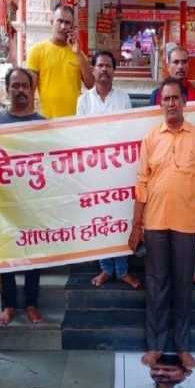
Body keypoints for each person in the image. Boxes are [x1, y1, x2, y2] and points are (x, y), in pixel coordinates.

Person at [129, 77, 195, 370]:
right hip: (154, 223)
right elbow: (141, 183)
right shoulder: (151, 138)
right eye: (166, 99)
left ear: (184, 102)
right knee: (156, 285)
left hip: (187, 224)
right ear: (160, 103)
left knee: (182, 287)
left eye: (175, 98)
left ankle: (183, 347)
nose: (171, 103)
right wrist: (136, 225)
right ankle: (154, 346)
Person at [76, 51, 141, 289]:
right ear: (93, 70)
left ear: (114, 70)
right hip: (95, 171)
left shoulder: (123, 99)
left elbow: (128, 131)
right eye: (100, 65)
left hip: (119, 169)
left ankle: (122, 270)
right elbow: (81, 135)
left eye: (108, 66)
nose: (104, 69)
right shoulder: (83, 101)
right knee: (100, 218)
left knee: (120, 218)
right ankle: (105, 269)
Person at [149, 46, 195, 290]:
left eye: (185, 62)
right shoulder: (155, 93)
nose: (181, 66)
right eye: (176, 62)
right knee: (159, 279)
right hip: (158, 208)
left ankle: (193, 271)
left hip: (189, 190)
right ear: (168, 64)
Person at [0, 67, 46, 324]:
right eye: (16, 85)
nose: (21, 90)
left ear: (32, 90)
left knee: (34, 254)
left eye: (25, 85)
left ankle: (32, 304)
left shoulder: (42, 124)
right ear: (7, 89)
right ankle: (9, 305)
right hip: (5, 202)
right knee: (6, 254)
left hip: (32, 202)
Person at [26, 3, 94, 118]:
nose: (63, 26)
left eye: (67, 23)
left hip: (73, 121)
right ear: (52, 21)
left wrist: (78, 53)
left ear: (72, 27)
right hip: (46, 121)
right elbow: (29, 91)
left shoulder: (78, 54)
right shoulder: (37, 51)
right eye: (60, 21)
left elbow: (90, 84)